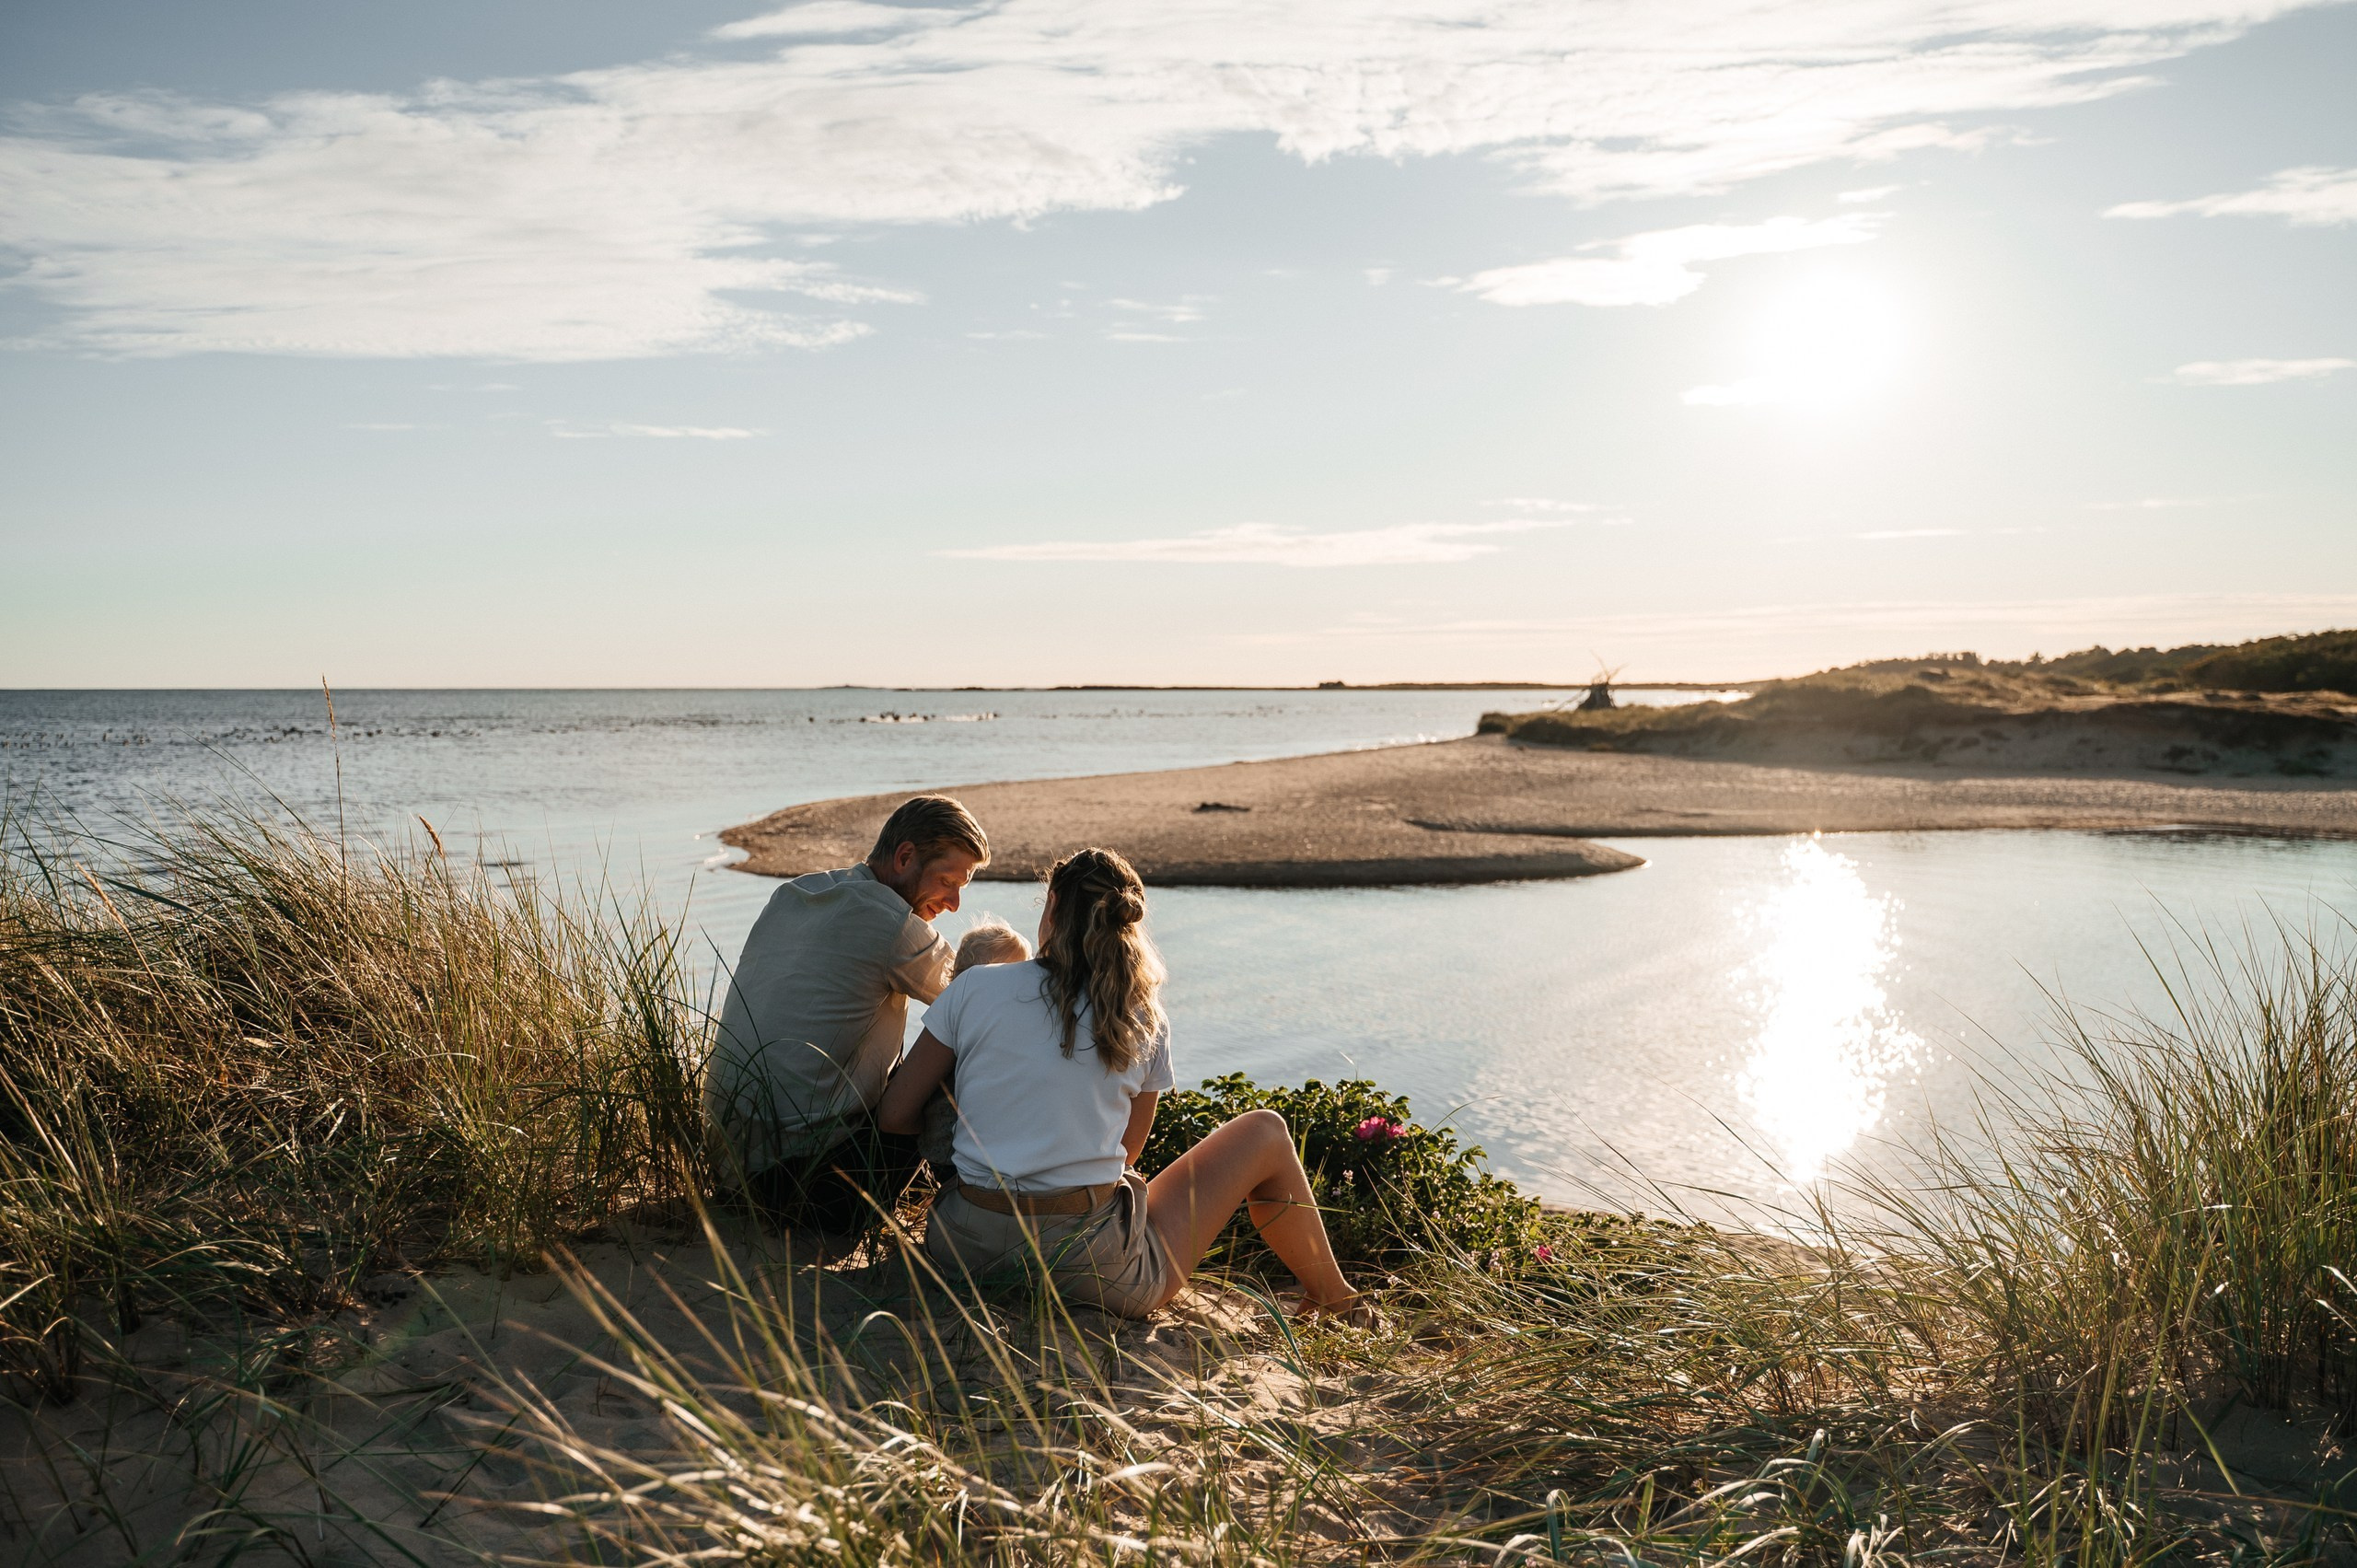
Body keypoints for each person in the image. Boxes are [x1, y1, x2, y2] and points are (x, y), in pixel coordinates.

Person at [877, 847, 1359, 1319]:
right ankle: (1333, 1295)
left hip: (963, 1251)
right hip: (1092, 1267)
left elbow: (895, 1113)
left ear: (1054, 909)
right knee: (1266, 1132)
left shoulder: (975, 986)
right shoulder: (1143, 1015)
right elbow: (1127, 1153)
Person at [703, 794, 987, 1234]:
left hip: (728, 1170)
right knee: (957, 1046)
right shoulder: (893, 926)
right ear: (905, 856)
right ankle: (969, 1210)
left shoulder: (791, 895)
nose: (953, 903)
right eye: (948, 880)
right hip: (817, 1193)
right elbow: (990, 998)